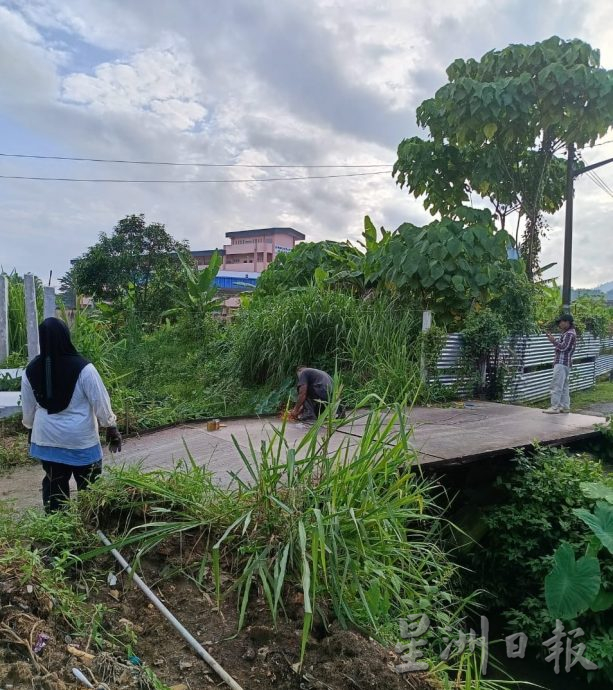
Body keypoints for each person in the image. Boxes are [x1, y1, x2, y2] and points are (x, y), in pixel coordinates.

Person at [21, 317, 122, 512]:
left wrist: (30, 429)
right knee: (90, 489)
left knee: (54, 488)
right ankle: (92, 525)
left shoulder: (31, 370)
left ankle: (56, 530)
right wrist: (111, 427)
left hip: (46, 439)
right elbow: (100, 400)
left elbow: (28, 408)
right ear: (66, 337)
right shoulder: (84, 368)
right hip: (80, 440)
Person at [543, 313, 577, 414]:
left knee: (556, 385)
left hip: (562, 363)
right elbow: (564, 346)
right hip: (565, 363)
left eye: (561, 322)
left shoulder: (569, 334)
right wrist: (554, 341)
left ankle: (554, 407)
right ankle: (565, 407)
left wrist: (553, 341)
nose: (560, 324)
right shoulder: (569, 333)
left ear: (567, 322)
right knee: (564, 386)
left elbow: (564, 347)